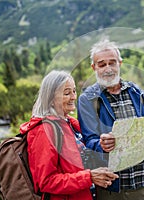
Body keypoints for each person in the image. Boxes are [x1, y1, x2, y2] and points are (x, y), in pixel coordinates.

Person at [77, 40, 144, 200]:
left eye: (112, 63)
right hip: (110, 187)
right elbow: (88, 140)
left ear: (120, 63)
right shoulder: (87, 99)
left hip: (143, 183)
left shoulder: (137, 92)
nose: (108, 69)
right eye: (102, 64)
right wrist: (100, 144)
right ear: (94, 68)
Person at [19, 70, 119, 200]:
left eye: (74, 91)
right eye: (66, 93)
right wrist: (89, 177)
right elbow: (46, 182)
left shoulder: (71, 124)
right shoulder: (44, 131)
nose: (73, 97)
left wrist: (102, 145)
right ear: (50, 98)